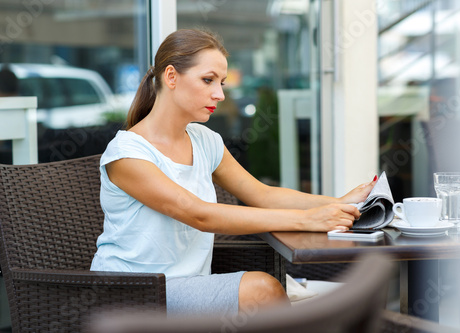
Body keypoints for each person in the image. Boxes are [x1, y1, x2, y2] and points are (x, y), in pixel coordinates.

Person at [90, 29, 377, 317]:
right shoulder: (128, 153)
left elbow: (261, 194)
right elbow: (199, 214)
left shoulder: (204, 140)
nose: (220, 94)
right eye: (208, 80)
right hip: (131, 293)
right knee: (262, 290)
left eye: (222, 83)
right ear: (171, 77)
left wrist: (338, 202)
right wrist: (308, 219)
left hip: (188, 287)